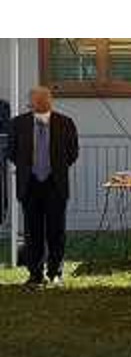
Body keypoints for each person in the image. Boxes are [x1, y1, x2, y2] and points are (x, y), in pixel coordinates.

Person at [6, 86, 79, 287]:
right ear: (31, 103)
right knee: (32, 232)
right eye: (35, 99)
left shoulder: (65, 123)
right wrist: (28, 169)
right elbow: (11, 152)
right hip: (29, 185)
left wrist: (54, 169)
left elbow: (72, 153)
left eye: (42, 99)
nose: (38, 103)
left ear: (50, 101)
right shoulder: (18, 124)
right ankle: (35, 274)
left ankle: (55, 273)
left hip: (55, 184)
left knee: (56, 231)